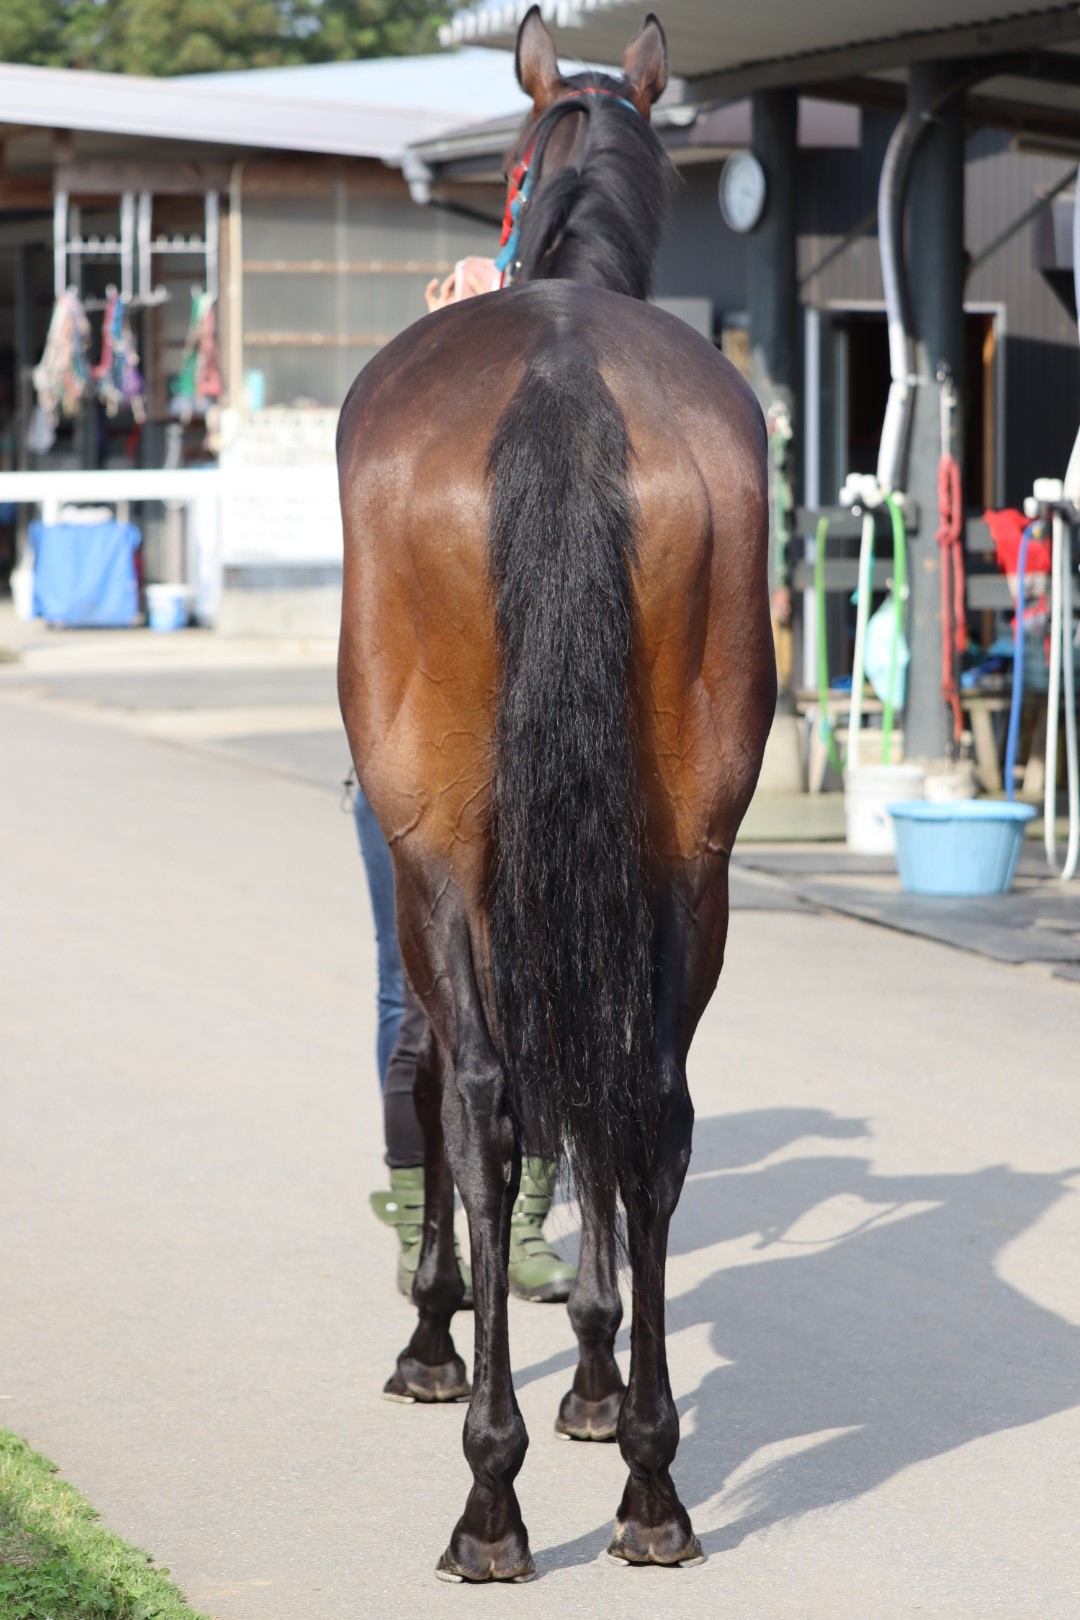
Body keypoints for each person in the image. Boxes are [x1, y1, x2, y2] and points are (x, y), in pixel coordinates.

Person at [353, 783, 576, 1305]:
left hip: (519, 774)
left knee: (531, 995)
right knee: (411, 994)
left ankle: (524, 1222)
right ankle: (421, 1230)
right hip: (403, 767)